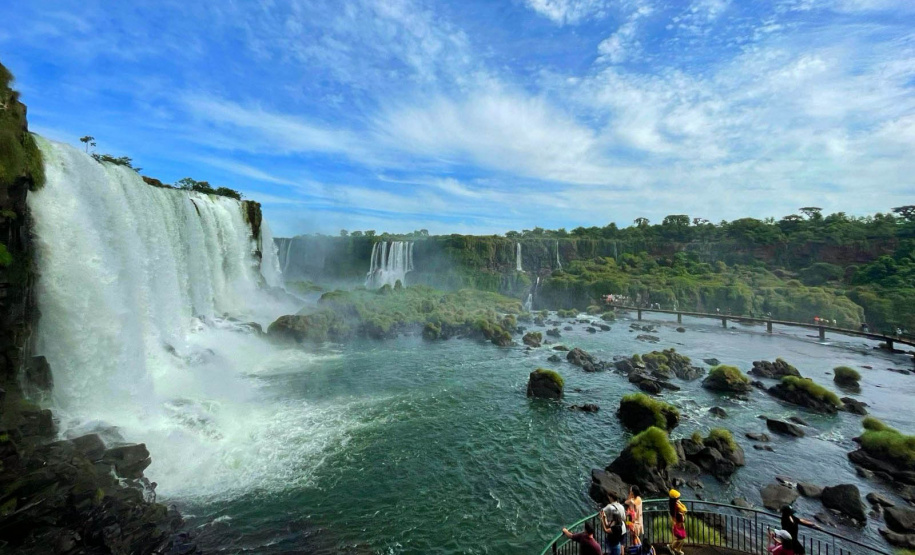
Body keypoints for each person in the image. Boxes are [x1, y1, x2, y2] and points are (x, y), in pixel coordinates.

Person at [668, 489, 687, 555]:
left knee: (681, 537)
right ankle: (671, 547)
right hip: (678, 523)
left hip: (678, 522)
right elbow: (684, 510)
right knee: (680, 538)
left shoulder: (672, 504)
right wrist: (680, 504)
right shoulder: (676, 505)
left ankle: (677, 549)